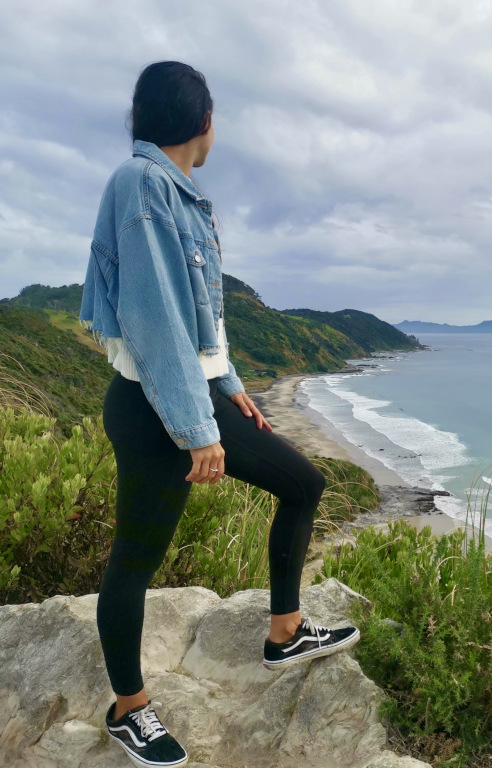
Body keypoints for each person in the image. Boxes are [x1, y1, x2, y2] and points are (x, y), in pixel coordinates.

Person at [78, 61, 359, 768]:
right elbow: (157, 319)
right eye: (215, 116)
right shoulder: (143, 185)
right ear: (202, 121)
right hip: (158, 405)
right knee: (135, 563)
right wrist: (198, 430)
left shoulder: (178, 192)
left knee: (303, 484)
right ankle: (128, 710)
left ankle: (285, 632)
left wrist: (230, 382)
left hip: (191, 393)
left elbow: (201, 318)